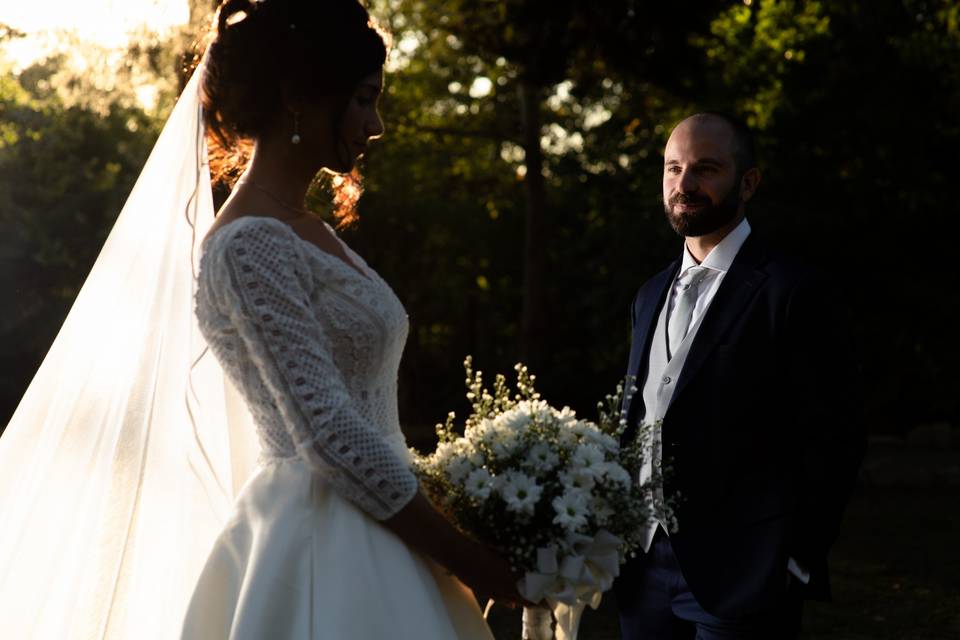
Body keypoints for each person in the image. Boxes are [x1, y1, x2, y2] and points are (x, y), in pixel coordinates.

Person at [180, 0, 521, 637]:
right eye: (365, 99)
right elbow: (329, 433)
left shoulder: (309, 230)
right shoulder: (248, 246)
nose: (378, 123)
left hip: (387, 518)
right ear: (297, 98)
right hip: (321, 539)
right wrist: (464, 556)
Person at [613, 112, 866, 639]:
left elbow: (834, 438)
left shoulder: (793, 290)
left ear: (747, 182)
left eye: (705, 169)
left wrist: (796, 560)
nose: (685, 185)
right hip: (642, 569)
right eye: (673, 168)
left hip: (744, 575)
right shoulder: (648, 294)